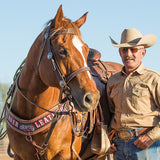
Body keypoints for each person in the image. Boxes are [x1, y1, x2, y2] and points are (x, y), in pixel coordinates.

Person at [107, 28, 160, 160]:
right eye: (124, 50)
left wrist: (150, 136)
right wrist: (108, 138)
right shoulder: (113, 81)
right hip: (118, 145)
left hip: (145, 144)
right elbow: (111, 113)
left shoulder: (154, 79)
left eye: (133, 50)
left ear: (143, 53)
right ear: (120, 52)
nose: (128, 54)